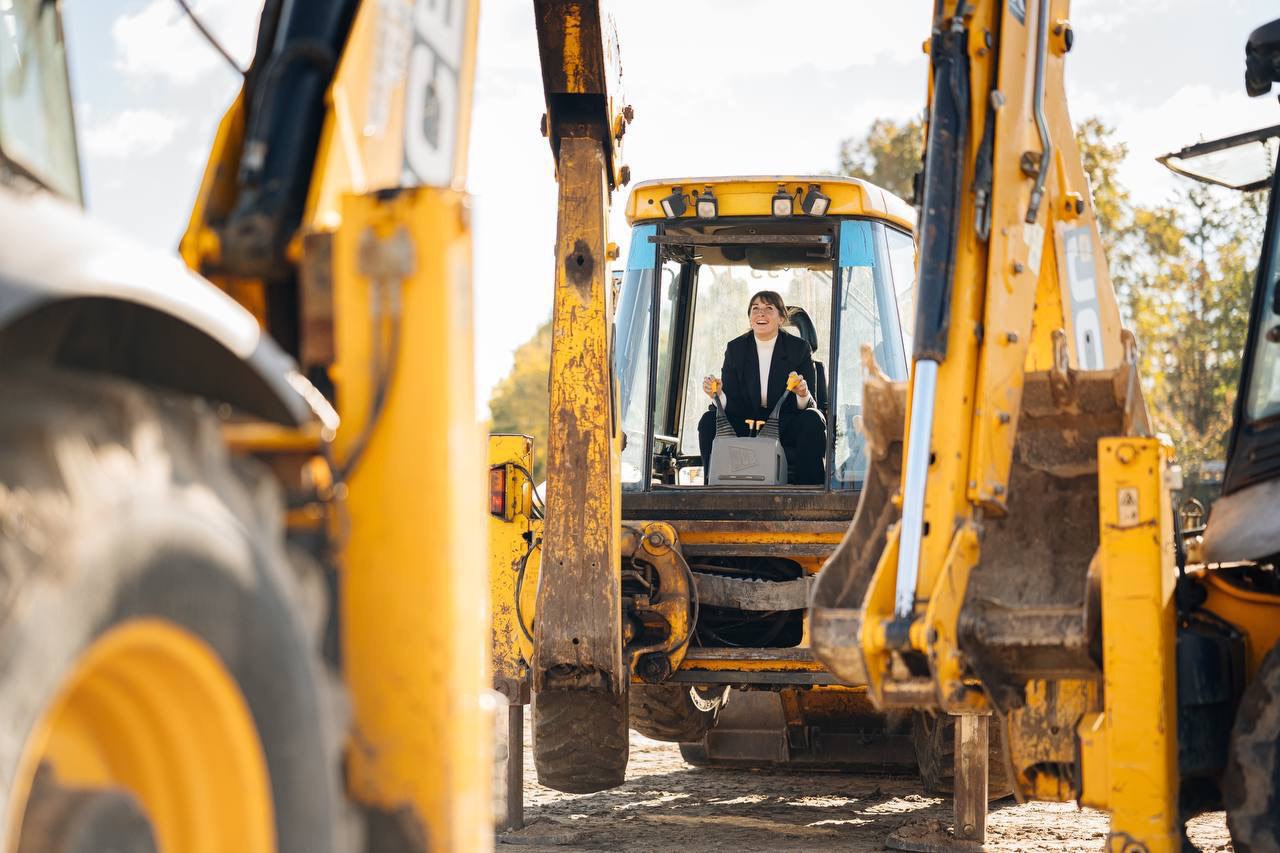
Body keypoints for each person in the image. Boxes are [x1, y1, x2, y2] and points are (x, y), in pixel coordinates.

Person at [698, 290, 827, 485]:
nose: (761, 313)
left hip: (784, 424)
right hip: (746, 424)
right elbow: (731, 403)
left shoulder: (799, 349)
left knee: (813, 419)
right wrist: (718, 394)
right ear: (750, 318)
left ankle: (809, 492)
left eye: (769, 308)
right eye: (755, 309)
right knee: (708, 421)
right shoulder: (735, 349)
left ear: (781, 318)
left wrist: (802, 393)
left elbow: (810, 404)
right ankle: (712, 488)